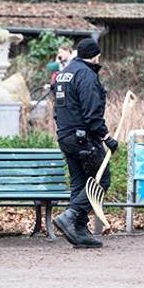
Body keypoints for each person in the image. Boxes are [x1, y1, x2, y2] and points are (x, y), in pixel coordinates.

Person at [52, 38, 118, 249]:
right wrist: (106, 137)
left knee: (80, 183)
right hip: (83, 139)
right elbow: (92, 112)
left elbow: (58, 108)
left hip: (66, 136)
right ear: (96, 55)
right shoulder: (87, 75)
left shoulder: (64, 73)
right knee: (101, 180)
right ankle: (70, 216)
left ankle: (79, 230)